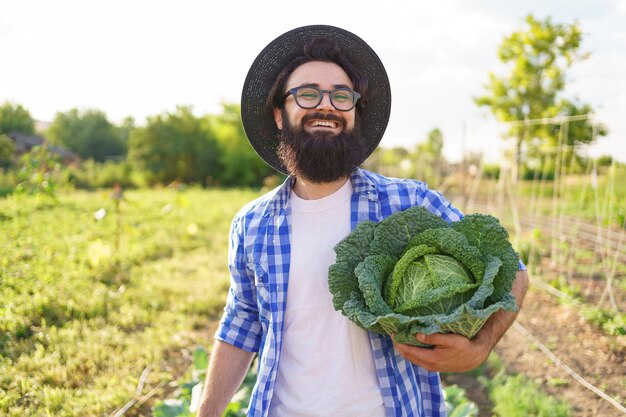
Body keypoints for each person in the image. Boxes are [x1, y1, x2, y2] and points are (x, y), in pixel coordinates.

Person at [197, 25, 529, 417]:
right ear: (279, 115)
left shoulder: (411, 202)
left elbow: (515, 272)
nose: (326, 106)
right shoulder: (251, 224)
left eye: (342, 96)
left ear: (354, 113)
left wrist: (480, 347)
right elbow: (241, 323)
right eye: (307, 94)